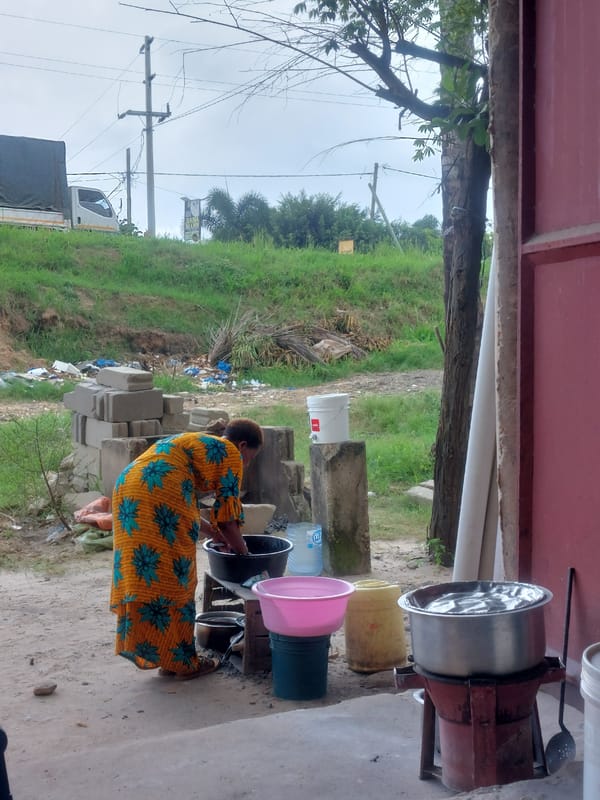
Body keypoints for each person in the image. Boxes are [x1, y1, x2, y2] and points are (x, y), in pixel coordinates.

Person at [109, 418, 263, 681]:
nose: (246, 464)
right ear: (242, 445)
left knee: (150, 575)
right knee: (177, 577)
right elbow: (228, 518)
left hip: (128, 488)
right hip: (158, 491)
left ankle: (168, 658)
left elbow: (186, 509)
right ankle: (184, 663)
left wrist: (217, 535)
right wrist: (244, 553)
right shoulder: (229, 452)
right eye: (250, 458)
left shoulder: (194, 444)